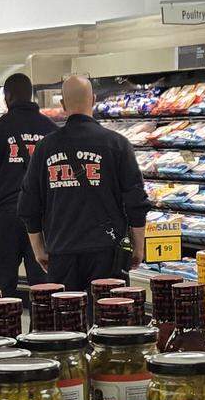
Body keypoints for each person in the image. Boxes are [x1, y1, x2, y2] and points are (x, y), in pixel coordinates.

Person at [18, 76, 150, 292]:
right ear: (94, 100)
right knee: (108, 311)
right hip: (107, 252)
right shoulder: (117, 144)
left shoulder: (45, 148)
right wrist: (138, 247)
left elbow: (28, 204)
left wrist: (39, 249)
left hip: (61, 251)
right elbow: (136, 201)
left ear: (63, 104)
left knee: (67, 312)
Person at [0, 73, 58, 296]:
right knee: (42, 286)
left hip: (7, 216)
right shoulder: (51, 129)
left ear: (7, 97)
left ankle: (3, 319)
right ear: (31, 96)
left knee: (3, 283)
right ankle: (43, 320)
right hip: (41, 218)